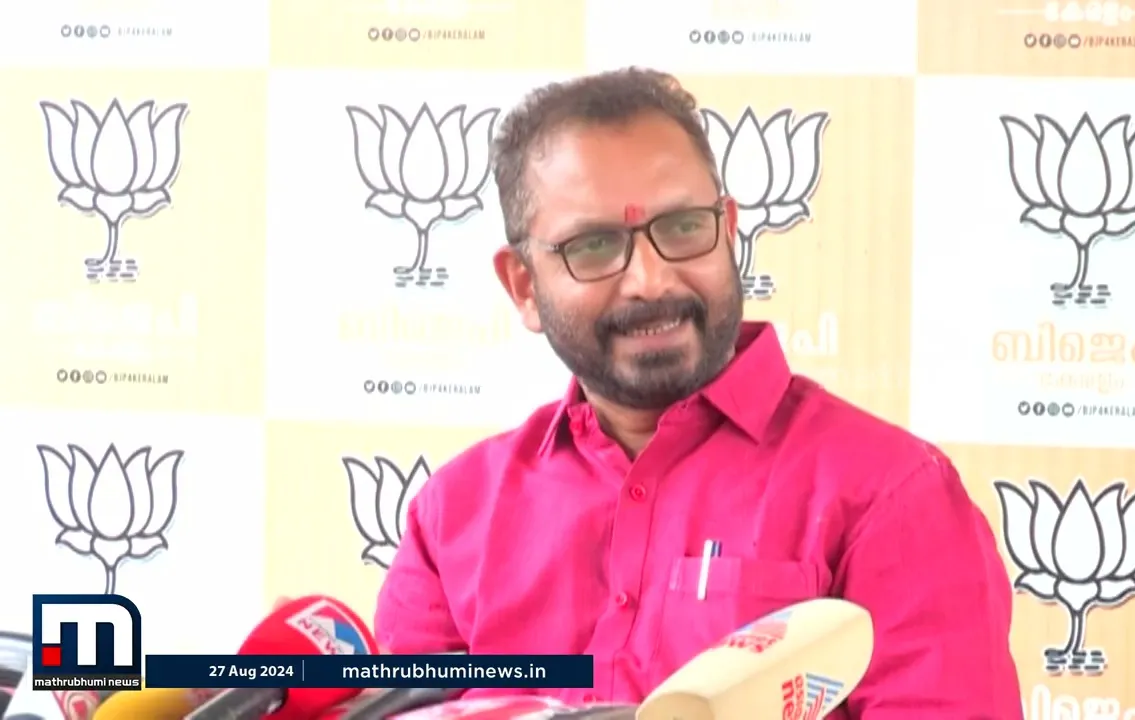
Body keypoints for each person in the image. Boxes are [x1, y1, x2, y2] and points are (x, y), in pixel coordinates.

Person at [375, 67, 1023, 718]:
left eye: (683, 227)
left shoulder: (891, 494)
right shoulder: (452, 516)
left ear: (729, 230)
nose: (651, 280)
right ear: (522, 285)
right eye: (594, 246)